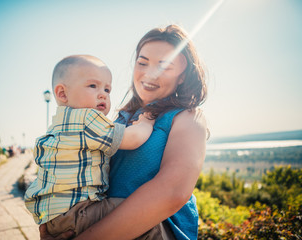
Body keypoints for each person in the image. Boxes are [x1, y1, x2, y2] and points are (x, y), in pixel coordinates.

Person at [40, 24, 208, 240]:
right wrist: (60, 219)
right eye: (142, 62)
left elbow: (172, 193)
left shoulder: (187, 117)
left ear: (183, 76)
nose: (149, 73)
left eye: (164, 66)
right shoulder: (121, 118)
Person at [25, 55, 156, 237]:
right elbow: (131, 139)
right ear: (62, 93)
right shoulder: (86, 118)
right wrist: (146, 122)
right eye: (93, 86)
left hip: (53, 217)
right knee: (141, 217)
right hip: (79, 211)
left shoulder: (58, 124)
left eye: (107, 89)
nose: (103, 94)